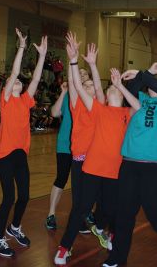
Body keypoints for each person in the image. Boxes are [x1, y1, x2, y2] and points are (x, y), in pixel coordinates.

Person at [54, 34, 139, 266]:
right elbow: (77, 88)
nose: (93, 86)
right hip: (85, 163)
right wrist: (73, 61)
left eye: (94, 84)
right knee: (81, 207)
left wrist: (98, 69)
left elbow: (135, 105)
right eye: (89, 84)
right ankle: (65, 246)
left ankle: (104, 229)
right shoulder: (88, 106)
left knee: (108, 208)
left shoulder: (117, 111)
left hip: (110, 170)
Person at [102, 63, 157, 267]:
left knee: (156, 213)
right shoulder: (142, 101)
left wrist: (148, 74)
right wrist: (121, 84)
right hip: (131, 162)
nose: (155, 85)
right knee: (123, 213)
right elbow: (131, 93)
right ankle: (117, 258)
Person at [0, 28, 47, 258]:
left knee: (24, 196)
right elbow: (14, 73)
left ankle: (15, 227)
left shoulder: (25, 101)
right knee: (8, 198)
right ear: (8, 86)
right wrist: (22, 47)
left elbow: (35, 78)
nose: (18, 84)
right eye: (14, 83)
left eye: (19, 84)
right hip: (5, 156)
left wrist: (42, 56)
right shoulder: (6, 100)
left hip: (20, 155)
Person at [45, 81, 73, 230]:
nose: (80, 76)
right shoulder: (67, 95)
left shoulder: (90, 96)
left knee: (82, 182)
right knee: (61, 177)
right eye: (79, 73)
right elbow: (55, 113)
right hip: (65, 144)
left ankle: (81, 215)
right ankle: (51, 214)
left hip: (84, 145)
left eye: (84, 74)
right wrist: (63, 92)